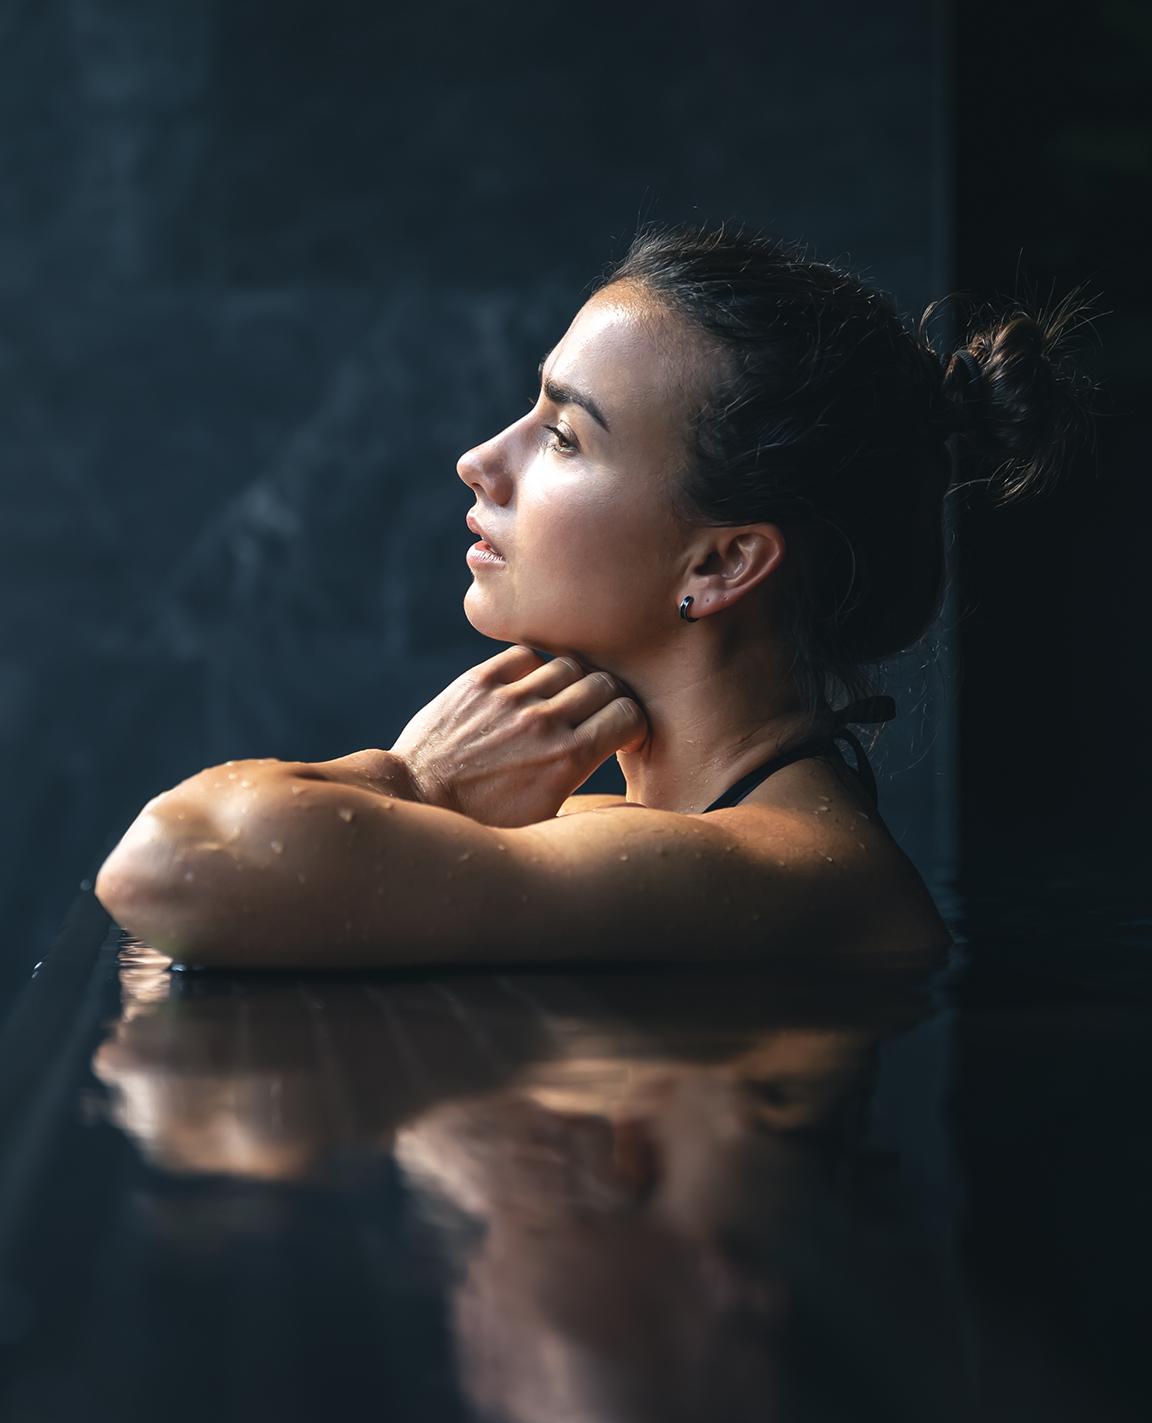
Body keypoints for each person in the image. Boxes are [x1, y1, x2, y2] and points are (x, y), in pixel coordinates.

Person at [94, 223, 1097, 969]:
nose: (481, 460)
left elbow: (172, 865)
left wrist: (411, 781)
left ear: (721, 565)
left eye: (565, 436)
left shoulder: (765, 869)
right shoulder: (632, 832)